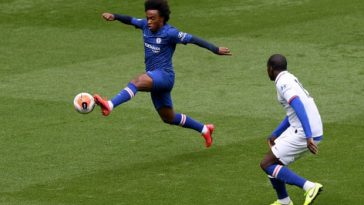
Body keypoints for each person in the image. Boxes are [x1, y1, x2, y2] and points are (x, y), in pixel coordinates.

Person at [93, 0, 231, 148]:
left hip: (164, 76)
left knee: (137, 82)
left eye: (153, 18)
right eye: (147, 18)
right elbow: (130, 19)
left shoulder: (170, 33)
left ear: (162, 18)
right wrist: (114, 16)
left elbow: (194, 39)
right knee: (168, 117)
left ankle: (110, 104)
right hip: (155, 79)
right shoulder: (145, 25)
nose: (149, 21)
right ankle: (205, 129)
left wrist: (215, 49)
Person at [260, 54, 323, 205]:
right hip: (310, 127)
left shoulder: (283, 83)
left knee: (267, 164)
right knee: (274, 160)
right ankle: (284, 201)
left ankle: (310, 187)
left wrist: (308, 136)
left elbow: (299, 107)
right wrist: (276, 133)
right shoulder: (289, 78)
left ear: (271, 69)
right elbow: (293, 113)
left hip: (305, 131)